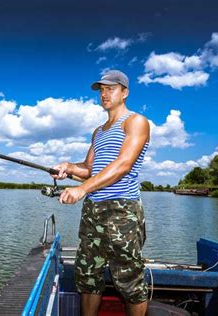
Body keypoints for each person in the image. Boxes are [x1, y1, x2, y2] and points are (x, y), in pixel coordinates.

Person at [51, 70, 150, 316]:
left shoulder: (135, 121)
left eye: (111, 88)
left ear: (124, 92)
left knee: (129, 280)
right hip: (93, 212)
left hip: (122, 211)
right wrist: (68, 168)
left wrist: (82, 189)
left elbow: (123, 165)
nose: (104, 94)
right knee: (87, 276)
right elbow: (88, 169)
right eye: (101, 90)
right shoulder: (99, 131)